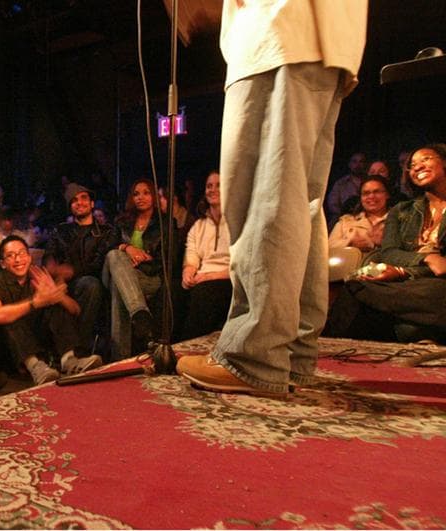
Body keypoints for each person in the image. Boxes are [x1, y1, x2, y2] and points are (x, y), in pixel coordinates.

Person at [177, 1, 368, 395]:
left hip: (278, 29)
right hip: (324, 39)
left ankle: (254, 356)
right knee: (300, 200)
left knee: (264, 194)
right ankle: (292, 352)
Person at [325, 144, 446, 343]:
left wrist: (410, 271)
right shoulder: (402, 211)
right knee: (356, 286)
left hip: (435, 286)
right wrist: (423, 260)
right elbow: (389, 252)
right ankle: (330, 348)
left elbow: (443, 268)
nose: (417, 167)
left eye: (425, 159)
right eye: (412, 165)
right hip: (407, 284)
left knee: (435, 293)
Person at [0, 235, 102, 385]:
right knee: (10, 316)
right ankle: (35, 367)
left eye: (21, 254)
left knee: (55, 306)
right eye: (11, 256)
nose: (18, 260)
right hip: (9, 349)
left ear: (29, 256)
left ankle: (70, 361)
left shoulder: (38, 275)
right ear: (3, 263)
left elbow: (76, 310)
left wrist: (57, 296)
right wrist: (36, 302)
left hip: (39, 340)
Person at [44, 183, 119, 354]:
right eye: (74, 200)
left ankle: (79, 348)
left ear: (92, 203)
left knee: (90, 284)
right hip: (61, 282)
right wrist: (55, 273)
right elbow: (49, 255)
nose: (79, 203)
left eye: (84, 198)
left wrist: (69, 272)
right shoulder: (60, 230)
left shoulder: (108, 231)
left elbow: (97, 263)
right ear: (70, 206)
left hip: (93, 281)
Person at [103, 178, 173, 359]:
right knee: (115, 256)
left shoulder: (164, 222)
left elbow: (165, 260)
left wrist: (141, 261)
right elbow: (108, 249)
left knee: (120, 288)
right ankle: (140, 314)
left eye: (146, 193)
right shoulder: (122, 221)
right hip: (115, 272)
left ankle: (120, 358)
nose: (140, 197)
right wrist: (127, 248)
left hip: (148, 276)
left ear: (154, 196)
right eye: (136, 193)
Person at [178, 171, 232, 340]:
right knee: (173, 292)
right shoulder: (198, 226)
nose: (213, 190)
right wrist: (187, 273)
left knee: (204, 293)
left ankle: (188, 345)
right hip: (202, 277)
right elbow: (192, 256)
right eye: (209, 186)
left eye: (218, 185)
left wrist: (210, 276)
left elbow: (244, 265)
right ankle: (165, 346)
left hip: (228, 278)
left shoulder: (237, 222)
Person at [328, 175, 390, 281]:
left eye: (377, 192)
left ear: (387, 195)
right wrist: (350, 243)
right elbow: (328, 248)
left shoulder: (399, 220)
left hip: (385, 278)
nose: (371, 197)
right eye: (366, 193)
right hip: (346, 278)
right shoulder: (346, 221)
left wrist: (380, 243)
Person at [326, 152, 368, 229]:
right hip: (343, 219)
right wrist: (345, 216)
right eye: (354, 161)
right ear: (349, 164)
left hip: (366, 219)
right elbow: (332, 204)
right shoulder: (341, 184)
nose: (358, 165)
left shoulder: (370, 182)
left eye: (361, 162)